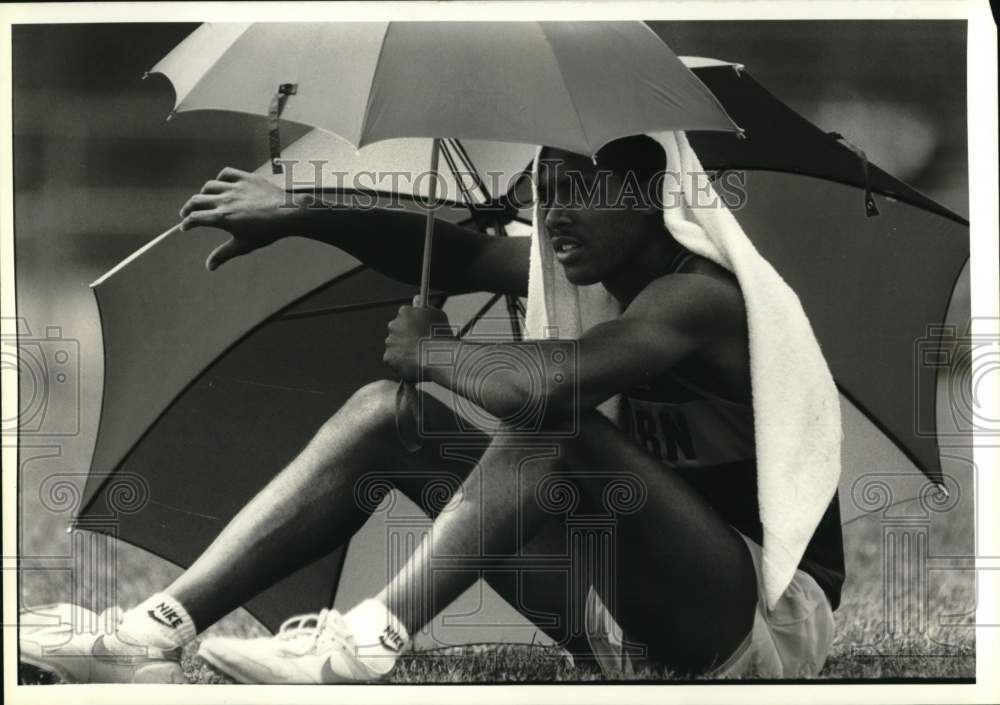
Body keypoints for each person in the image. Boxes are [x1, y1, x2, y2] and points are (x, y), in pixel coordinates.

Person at [20, 135, 844, 684]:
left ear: (654, 194)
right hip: (619, 610)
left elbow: (548, 390)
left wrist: (433, 353)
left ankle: (362, 645)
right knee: (390, 413)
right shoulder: (584, 270)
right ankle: (153, 632)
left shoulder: (694, 298)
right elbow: (450, 250)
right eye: (543, 190)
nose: (554, 214)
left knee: (557, 428)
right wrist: (302, 212)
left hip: (753, 626)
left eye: (580, 190)